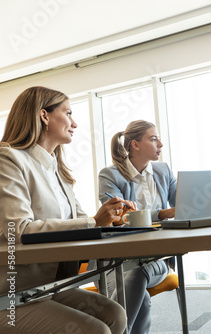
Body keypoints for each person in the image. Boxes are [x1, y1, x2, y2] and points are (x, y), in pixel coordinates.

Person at [0, 86, 130, 333]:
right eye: (68, 113)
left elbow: (83, 220)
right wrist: (94, 222)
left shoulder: (58, 171)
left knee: (115, 315)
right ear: (44, 116)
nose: (75, 123)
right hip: (14, 291)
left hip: (49, 285)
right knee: (96, 329)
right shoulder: (8, 159)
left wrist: (113, 218)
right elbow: (18, 229)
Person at [98, 120, 177, 334]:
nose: (160, 143)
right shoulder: (110, 175)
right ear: (135, 145)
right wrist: (162, 214)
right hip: (117, 259)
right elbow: (121, 216)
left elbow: (184, 205)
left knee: (136, 275)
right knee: (139, 297)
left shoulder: (163, 171)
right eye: (153, 139)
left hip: (157, 257)